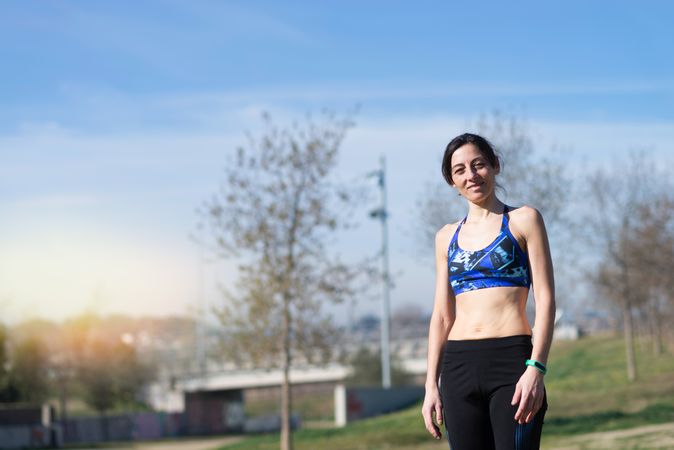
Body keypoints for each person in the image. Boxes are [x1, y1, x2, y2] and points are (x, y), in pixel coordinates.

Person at [421, 133, 555, 450]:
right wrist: (430, 385)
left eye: (478, 164)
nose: (471, 175)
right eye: (460, 170)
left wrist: (536, 368)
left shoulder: (525, 220)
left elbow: (546, 301)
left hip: (512, 363)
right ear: (452, 181)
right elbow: (441, 316)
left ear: (494, 166)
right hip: (458, 370)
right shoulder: (446, 237)